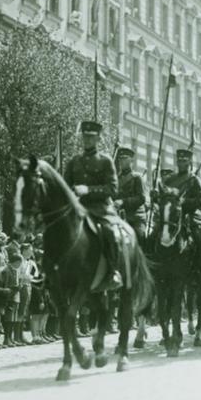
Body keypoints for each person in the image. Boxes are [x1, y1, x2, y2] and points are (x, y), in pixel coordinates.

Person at [64, 120, 122, 292]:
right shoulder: (74, 161)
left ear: (98, 138)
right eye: (85, 137)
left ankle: (113, 271)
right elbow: (65, 186)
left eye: (91, 137)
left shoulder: (106, 161)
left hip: (100, 208)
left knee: (110, 233)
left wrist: (88, 189)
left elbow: (112, 189)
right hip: (78, 209)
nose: (87, 140)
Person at [161, 148, 201, 240]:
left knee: (198, 238)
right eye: (179, 161)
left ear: (189, 162)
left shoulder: (194, 180)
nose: (181, 164)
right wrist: (156, 197)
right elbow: (163, 198)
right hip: (170, 215)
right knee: (153, 235)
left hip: (188, 216)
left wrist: (184, 201)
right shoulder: (170, 179)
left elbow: (200, 201)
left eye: (184, 161)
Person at [115, 147, 148, 246]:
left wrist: (123, 202)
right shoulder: (116, 178)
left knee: (139, 238)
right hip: (119, 216)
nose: (121, 161)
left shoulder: (137, 177)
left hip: (135, 217)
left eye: (124, 158)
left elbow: (141, 198)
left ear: (131, 160)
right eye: (120, 159)